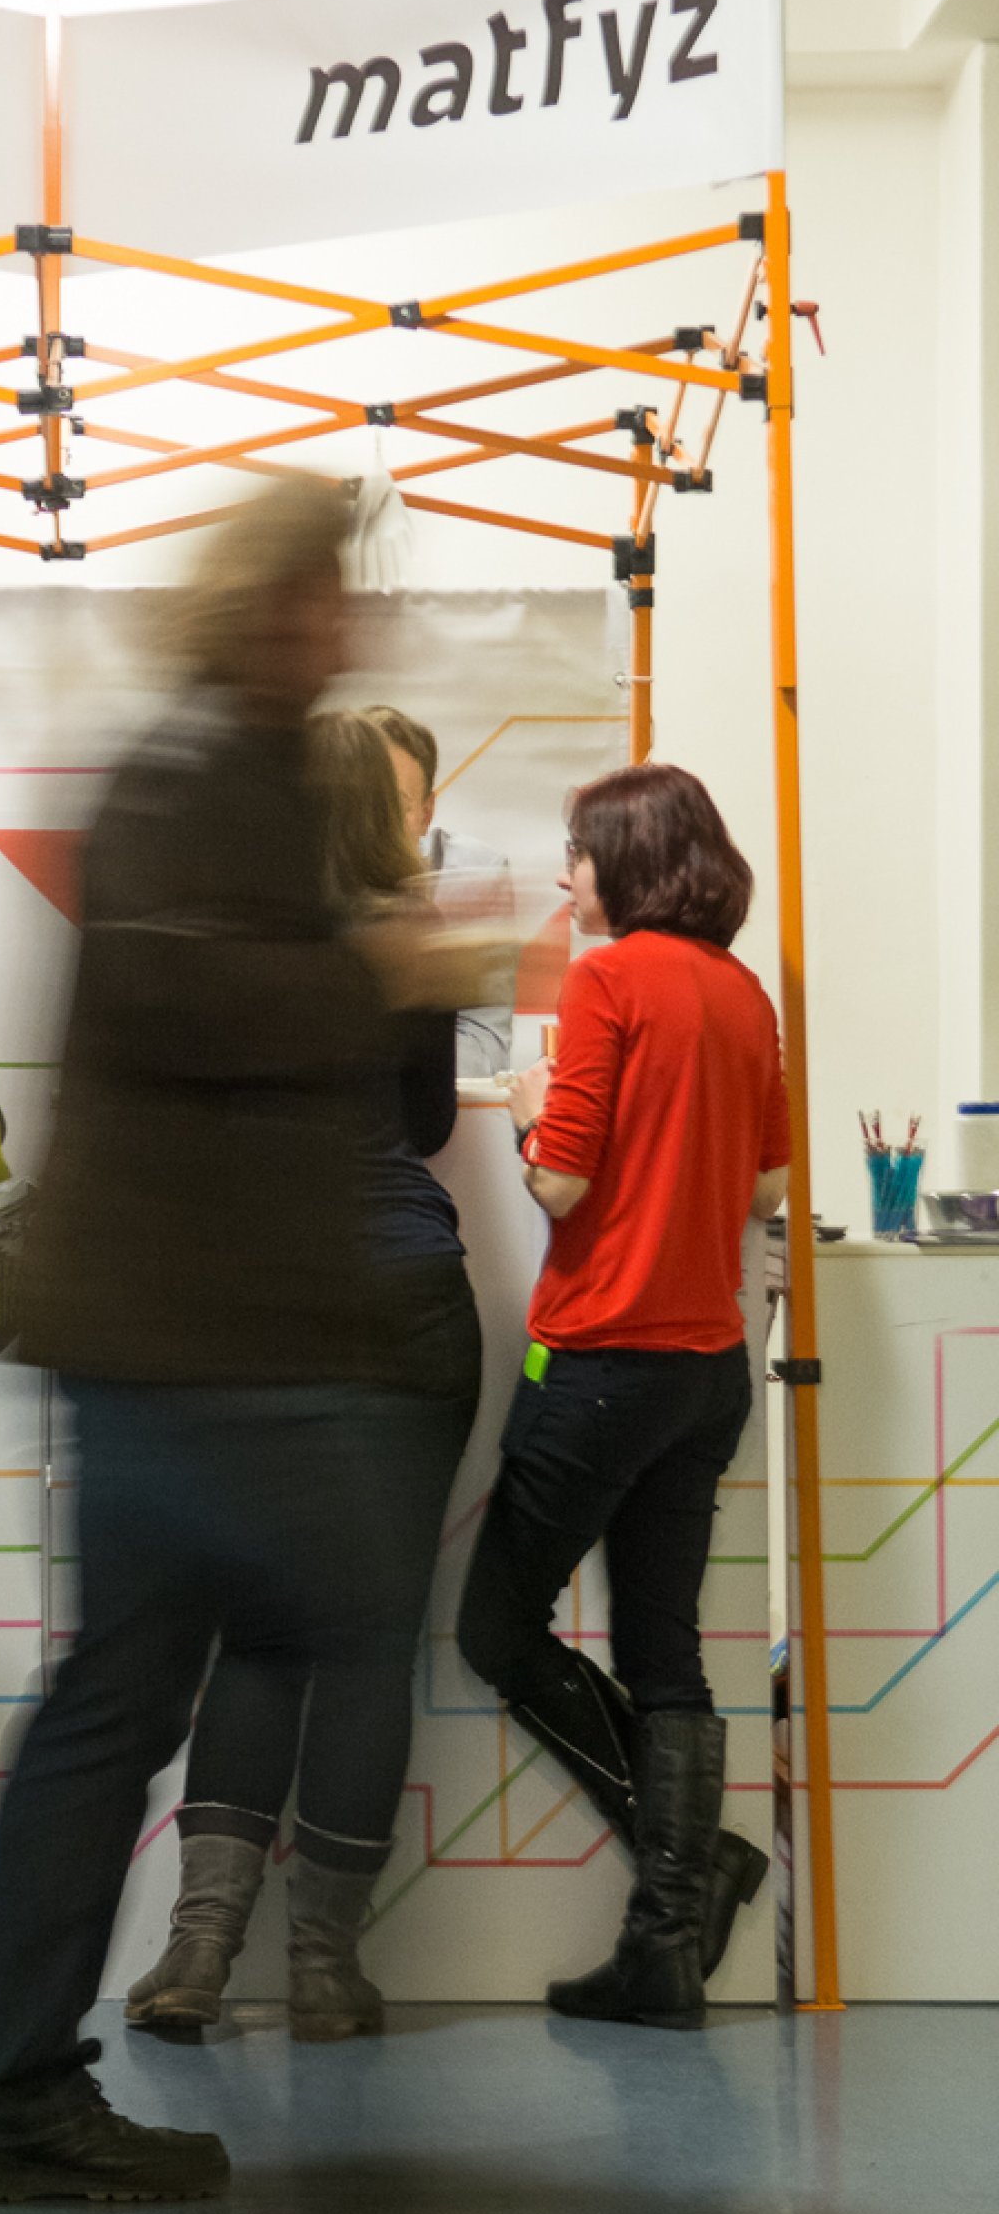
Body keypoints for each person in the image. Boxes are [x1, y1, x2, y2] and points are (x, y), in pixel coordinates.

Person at [0, 476, 460, 2207]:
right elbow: (180, 996)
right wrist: (392, 972)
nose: (350, 619)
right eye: (328, 593)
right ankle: (13, 2081)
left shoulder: (237, 768)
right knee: (309, 1628)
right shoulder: (196, 772)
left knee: (127, 1696)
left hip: (190, 1332)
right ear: (270, 606)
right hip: (192, 1341)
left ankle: (8, 2083)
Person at [121, 710, 482, 2044]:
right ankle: (326, 1968)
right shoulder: (413, 942)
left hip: (270, 1315)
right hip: (409, 1300)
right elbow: (427, 1125)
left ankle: (197, 1955)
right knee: (371, 1643)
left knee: (259, 1629)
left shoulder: (232, 939)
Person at [455, 762, 788, 2031]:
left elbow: (559, 1186)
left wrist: (531, 1113)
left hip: (599, 1363)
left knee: (496, 1632)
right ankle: (664, 1944)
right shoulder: (738, 992)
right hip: (707, 1372)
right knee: (665, 1657)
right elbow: (767, 1186)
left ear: (628, 863)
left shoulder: (606, 982)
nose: (563, 875)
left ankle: (687, 1871)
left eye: (578, 852)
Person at [365, 704, 516, 1078]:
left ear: (426, 813)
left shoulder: (473, 874)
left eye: (396, 805)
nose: (377, 823)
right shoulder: (306, 874)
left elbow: (484, 1040)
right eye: (365, 803)